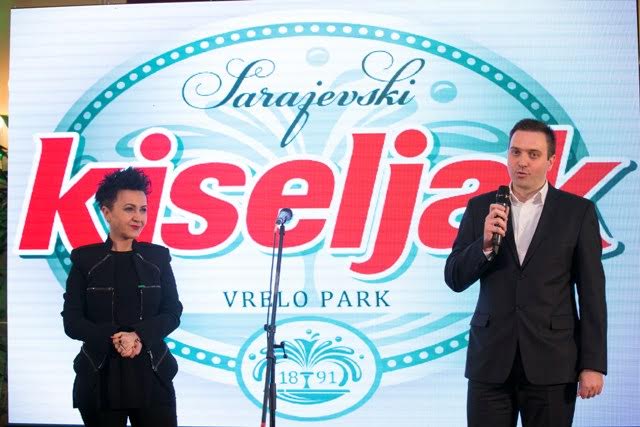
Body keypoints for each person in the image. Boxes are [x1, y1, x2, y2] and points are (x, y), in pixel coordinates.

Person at [444, 118, 607, 427]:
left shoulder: (577, 212)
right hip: (490, 361)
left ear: (550, 161)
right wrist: (484, 245)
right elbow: (454, 277)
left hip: (553, 362)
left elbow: (592, 294)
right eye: (516, 152)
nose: (522, 162)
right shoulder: (481, 208)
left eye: (533, 154)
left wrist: (593, 364)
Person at [62, 167, 183, 427]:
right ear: (107, 212)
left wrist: (138, 336)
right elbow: (72, 322)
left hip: (153, 374)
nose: (138, 217)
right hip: (99, 375)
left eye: (143, 209)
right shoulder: (85, 259)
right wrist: (116, 338)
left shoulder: (158, 258)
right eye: (129, 209)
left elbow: (173, 311)